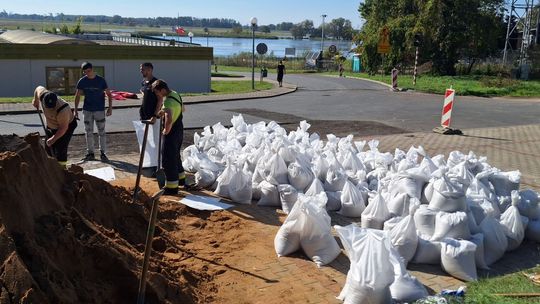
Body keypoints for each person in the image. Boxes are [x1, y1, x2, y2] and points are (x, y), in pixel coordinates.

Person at [152, 79, 194, 195]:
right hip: (179, 129)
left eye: (157, 92)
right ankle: (181, 179)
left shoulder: (168, 102)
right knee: (175, 156)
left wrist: (166, 130)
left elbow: (169, 119)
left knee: (168, 159)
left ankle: (171, 187)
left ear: (163, 90)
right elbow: (182, 109)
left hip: (171, 133)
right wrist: (163, 111)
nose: (157, 95)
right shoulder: (175, 94)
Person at [74, 62, 113, 162]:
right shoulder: (82, 81)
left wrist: (110, 108)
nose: (87, 73)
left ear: (92, 69)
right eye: (85, 72)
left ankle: (103, 153)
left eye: (89, 71)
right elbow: (77, 95)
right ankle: (90, 153)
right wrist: (75, 110)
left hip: (99, 110)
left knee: (102, 132)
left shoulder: (101, 80)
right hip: (87, 110)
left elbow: (109, 94)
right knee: (88, 132)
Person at [32, 86, 77, 168]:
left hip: (66, 126)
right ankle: (50, 167)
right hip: (51, 125)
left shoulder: (63, 110)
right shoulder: (42, 94)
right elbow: (37, 88)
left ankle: (62, 169)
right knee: (48, 147)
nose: (50, 109)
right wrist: (35, 100)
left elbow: (63, 128)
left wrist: (53, 139)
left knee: (60, 148)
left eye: (52, 107)